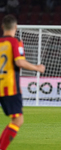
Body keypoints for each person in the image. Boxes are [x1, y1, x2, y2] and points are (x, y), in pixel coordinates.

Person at [0, 15, 45, 150]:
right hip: (9, 86)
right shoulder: (15, 41)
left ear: (2, 27)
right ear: (16, 27)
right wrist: (37, 68)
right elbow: (19, 62)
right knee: (18, 120)